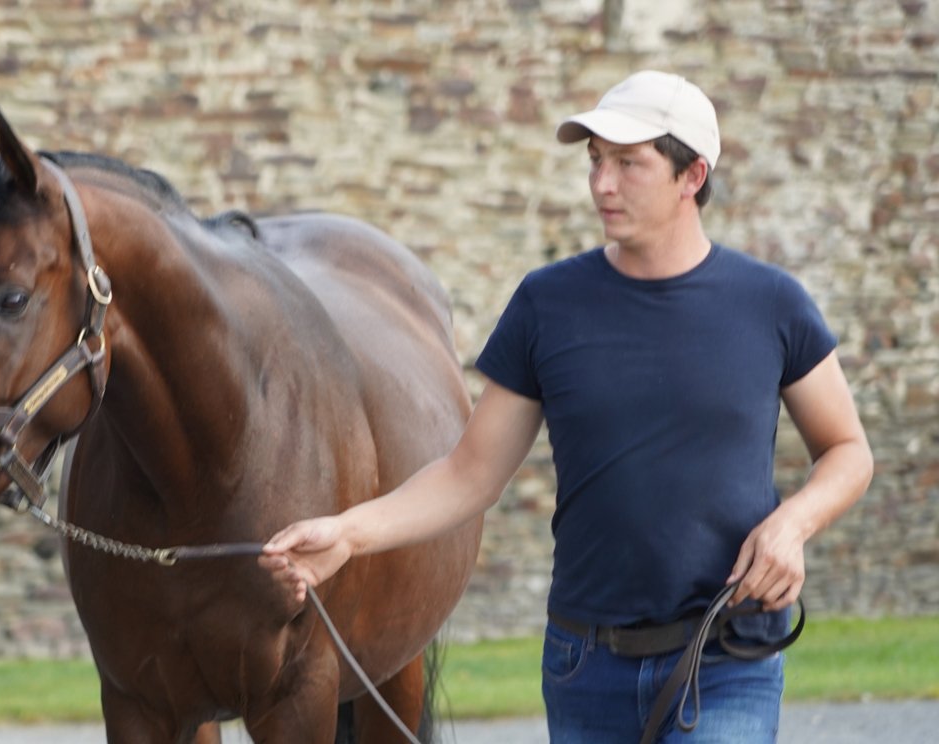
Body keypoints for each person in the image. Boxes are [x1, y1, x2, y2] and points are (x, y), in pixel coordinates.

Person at [260, 70, 873, 742]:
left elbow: (847, 450)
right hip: (586, 666)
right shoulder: (547, 305)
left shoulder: (772, 304)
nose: (602, 184)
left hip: (727, 660)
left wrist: (793, 524)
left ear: (692, 175)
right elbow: (469, 474)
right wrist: (347, 534)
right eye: (596, 160)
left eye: (629, 164)